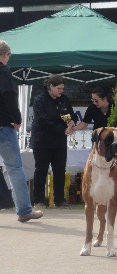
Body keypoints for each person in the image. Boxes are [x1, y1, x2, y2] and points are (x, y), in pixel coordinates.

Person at [0, 39, 43, 222]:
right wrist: (16, 119)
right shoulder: (3, 70)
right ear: (5, 55)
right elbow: (9, 95)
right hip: (3, 126)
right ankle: (24, 210)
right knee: (14, 169)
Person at [31, 74, 77, 208]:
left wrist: (73, 121)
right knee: (41, 170)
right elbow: (42, 121)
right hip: (42, 141)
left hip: (59, 142)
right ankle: (39, 200)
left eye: (62, 88)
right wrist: (61, 130)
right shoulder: (39, 100)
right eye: (59, 88)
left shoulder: (64, 99)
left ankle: (60, 200)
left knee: (59, 170)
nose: (61, 91)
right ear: (50, 86)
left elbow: (71, 114)